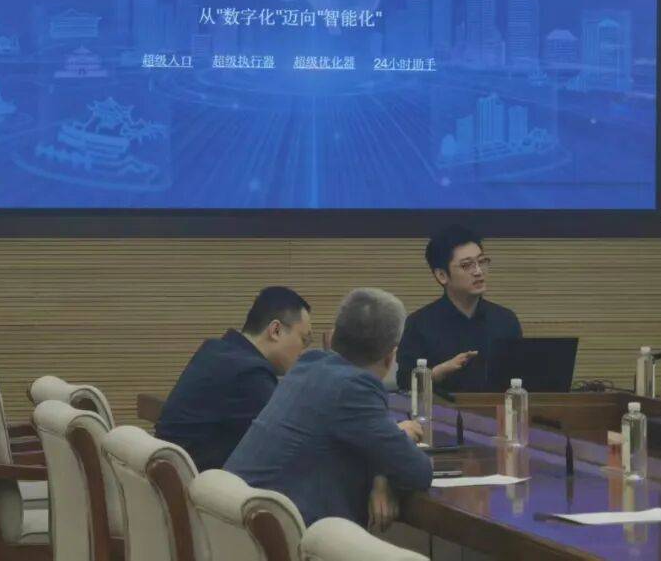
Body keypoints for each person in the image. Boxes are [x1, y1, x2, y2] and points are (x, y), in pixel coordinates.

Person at [225, 288, 432, 528]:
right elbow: (419, 472)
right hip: (275, 535)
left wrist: (383, 464)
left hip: (236, 527)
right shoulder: (355, 388)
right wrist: (387, 463)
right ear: (390, 357)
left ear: (333, 338)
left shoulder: (308, 365)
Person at [156, 286, 312, 471]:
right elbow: (291, 440)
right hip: (200, 484)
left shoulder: (216, 351)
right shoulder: (251, 375)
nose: (304, 351)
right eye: (304, 340)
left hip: (175, 476)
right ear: (276, 330)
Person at [397, 225, 522, 393]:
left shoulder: (505, 320)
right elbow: (404, 383)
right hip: (440, 409)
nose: (478, 271)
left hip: (497, 408)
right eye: (467, 265)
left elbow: (520, 378)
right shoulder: (419, 324)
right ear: (442, 275)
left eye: (481, 261)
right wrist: (438, 372)